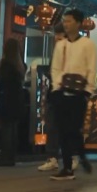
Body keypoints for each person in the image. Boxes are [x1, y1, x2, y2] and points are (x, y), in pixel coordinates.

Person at [50, 9, 96, 180]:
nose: (66, 24)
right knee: (62, 129)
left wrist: (88, 91)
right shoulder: (60, 45)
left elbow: (91, 67)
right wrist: (56, 88)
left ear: (78, 23)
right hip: (61, 92)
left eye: (69, 21)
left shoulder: (87, 44)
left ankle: (82, 156)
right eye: (65, 21)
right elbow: (55, 68)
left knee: (74, 129)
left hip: (79, 93)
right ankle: (67, 166)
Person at [38, 23, 73, 171]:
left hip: (67, 95)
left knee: (67, 128)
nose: (57, 38)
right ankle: (52, 157)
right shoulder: (56, 53)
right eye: (56, 35)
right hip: (54, 94)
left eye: (60, 35)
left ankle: (69, 158)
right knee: (52, 126)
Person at [0, 38, 26, 166]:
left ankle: (4, 157)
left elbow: (3, 82)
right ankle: (11, 157)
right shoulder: (19, 65)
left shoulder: (5, 64)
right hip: (16, 102)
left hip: (6, 101)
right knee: (12, 129)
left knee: (6, 130)